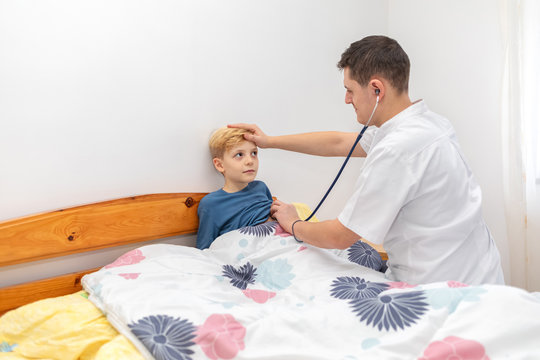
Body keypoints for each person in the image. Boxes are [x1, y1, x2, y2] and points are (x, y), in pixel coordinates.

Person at [230, 35, 504, 285]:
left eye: (350, 89)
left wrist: (293, 223)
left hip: (439, 287)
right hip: (479, 271)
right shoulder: (426, 124)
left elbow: (341, 236)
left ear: (376, 89)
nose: (347, 99)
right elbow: (339, 142)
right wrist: (269, 141)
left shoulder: (397, 149)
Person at [196, 127, 273, 249]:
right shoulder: (211, 204)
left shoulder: (261, 187)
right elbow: (204, 248)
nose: (250, 161)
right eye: (239, 155)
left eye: (254, 153)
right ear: (220, 165)